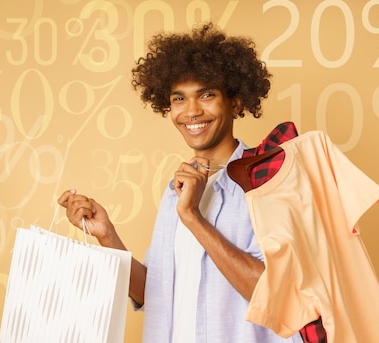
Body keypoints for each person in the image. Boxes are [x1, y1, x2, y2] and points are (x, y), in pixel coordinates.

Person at [57, 22, 304, 342]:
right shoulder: (176, 189)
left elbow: (275, 298)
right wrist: (107, 235)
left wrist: (193, 218)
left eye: (207, 94)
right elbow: (156, 293)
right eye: (179, 99)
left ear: (236, 101)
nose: (192, 111)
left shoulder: (269, 179)